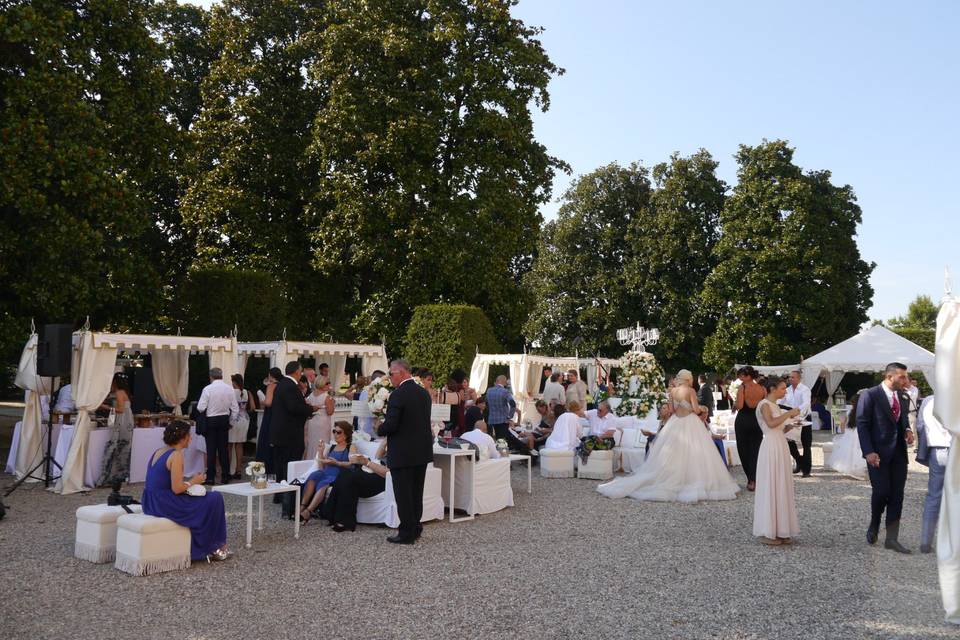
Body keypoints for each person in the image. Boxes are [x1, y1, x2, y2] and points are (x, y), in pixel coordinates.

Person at [597, 370, 739, 503]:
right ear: (688, 379)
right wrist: (704, 408)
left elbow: (671, 410)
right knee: (695, 453)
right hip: (690, 422)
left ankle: (673, 479)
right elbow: (695, 410)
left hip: (675, 423)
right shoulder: (690, 391)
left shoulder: (673, 391)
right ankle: (690, 480)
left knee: (673, 454)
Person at [141, 420, 230, 562]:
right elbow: (176, 489)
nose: (191, 438)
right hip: (164, 503)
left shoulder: (158, 451)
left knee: (206, 498)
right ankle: (215, 546)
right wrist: (195, 480)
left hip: (150, 501)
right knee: (215, 498)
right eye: (189, 435)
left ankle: (210, 544)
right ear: (182, 438)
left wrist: (189, 483)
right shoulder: (176, 455)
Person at [857, 362, 915, 553]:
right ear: (890, 377)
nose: (906, 380)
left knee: (897, 496)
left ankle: (892, 538)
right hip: (877, 454)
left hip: (899, 453)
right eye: (902, 377)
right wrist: (868, 452)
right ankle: (874, 523)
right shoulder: (870, 395)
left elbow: (903, 418)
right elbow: (863, 424)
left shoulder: (903, 396)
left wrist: (907, 429)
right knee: (881, 492)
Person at [377, 359, 433, 544]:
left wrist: (380, 427)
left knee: (403, 494)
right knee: (416, 492)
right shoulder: (423, 393)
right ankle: (416, 526)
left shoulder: (398, 395)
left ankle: (406, 531)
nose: (390, 378)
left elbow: (392, 424)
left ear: (401, 372)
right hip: (421, 451)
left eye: (391, 374)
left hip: (403, 452)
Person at [753, 376, 801, 546]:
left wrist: (791, 424)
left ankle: (782, 529)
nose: (785, 391)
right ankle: (769, 530)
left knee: (781, 485)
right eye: (782, 388)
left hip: (780, 444)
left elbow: (779, 427)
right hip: (771, 446)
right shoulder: (764, 404)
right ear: (772, 389)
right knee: (772, 485)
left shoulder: (775, 406)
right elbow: (771, 423)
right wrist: (789, 413)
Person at [300, 420, 357, 524]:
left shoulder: (351, 446)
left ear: (346, 434)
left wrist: (338, 463)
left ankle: (308, 511)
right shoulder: (332, 447)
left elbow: (352, 463)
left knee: (323, 483)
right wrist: (321, 452)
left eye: (339, 432)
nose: (335, 434)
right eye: (334, 431)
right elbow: (322, 466)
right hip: (326, 472)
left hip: (338, 475)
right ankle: (302, 506)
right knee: (313, 476)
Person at [325, 440, 389, 532]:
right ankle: (331, 514)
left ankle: (345, 521)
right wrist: (385, 442)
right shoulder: (390, 446)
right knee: (344, 474)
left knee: (351, 478)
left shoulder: (399, 453)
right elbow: (377, 458)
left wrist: (367, 462)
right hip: (372, 470)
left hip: (382, 478)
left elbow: (387, 473)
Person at [271, 361, 317, 486]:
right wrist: (311, 409)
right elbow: (294, 407)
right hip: (289, 434)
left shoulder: (282, 384)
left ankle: (279, 492)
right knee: (289, 464)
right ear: (297, 371)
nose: (301, 373)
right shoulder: (290, 386)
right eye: (301, 371)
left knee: (280, 464)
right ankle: (288, 493)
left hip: (281, 432)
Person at [916, 395, 951, 553]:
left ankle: (926, 541)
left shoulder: (928, 400)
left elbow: (920, 426)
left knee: (933, 496)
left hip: (937, 449)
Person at [196, 368, 239, 486]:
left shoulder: (207, 389)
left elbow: (200, 407)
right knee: (223, 449)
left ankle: (210, 477)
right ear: (221, 376)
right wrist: (231, 421)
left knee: (211, 450)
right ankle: (225, 476)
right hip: (224, 420)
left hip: (211, 420)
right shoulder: (229, 389)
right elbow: (235, 408)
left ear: (211, 377)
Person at [98, 372, 135, 485]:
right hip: (127, 420)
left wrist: (103, 406)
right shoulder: (124, 392)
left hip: (122, 420)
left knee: (117, 446)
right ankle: (121, 475)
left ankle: (112, 475)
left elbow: (120, 410)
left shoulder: (119, 392)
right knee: (123, 447)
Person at [734, 366, 765, 492]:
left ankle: (751, 480)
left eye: (741, 375)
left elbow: (740, 405)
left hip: (743, 420)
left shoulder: (742, 388)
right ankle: (755, 479)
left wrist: (735, 404)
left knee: (744, 450)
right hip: (757, 420)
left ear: (747, 376)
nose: (740, 378)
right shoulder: (762, 388)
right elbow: (764, 405)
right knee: (755, 450)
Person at [827, 390, 868, 479]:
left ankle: (852, 469)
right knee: (858, 451)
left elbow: (842, 426)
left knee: (849, 452)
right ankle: (859, 470)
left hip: (850, 433)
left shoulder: (850, 412)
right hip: (859, 433)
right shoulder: (865, 411)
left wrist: (843, 432)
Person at [485, 375, 529, 454]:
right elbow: (513, 404)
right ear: (504, 382)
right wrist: (509, 416)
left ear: (497, 381)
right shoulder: (505, 391)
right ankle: (507, 455)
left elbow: (487, 404)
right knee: (503, 439)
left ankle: (505, 455)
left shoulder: (489, 391)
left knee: (501, 439)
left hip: (492, 420)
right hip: (503, 420)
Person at [783, 370, 813, 477]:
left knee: (806, 444)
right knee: (789, 442)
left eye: (793, 377)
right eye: (790, 377)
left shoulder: (805, 389)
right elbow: (781, 402)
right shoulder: (787, 390)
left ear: (799, 378)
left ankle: (807, 470)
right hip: (791, 418)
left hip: (804, 417)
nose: (790, 379)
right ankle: (800, 462)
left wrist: (796, 412)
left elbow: (806, 403)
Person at [255, 368, 282, 475]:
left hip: (270, 415)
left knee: (265, 441)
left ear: (270, 376)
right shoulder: (282, 385)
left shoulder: (271, 385)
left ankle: (263, 469)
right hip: (278, 416)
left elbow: (268, 402)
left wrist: (263, 401)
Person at [228, 374, 253, 479]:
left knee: (229, 446)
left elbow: (228, 406)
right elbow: (253, 407)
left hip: (233, 420)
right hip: (244, 419)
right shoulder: (247, 392)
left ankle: (229, 470)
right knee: (239, 445)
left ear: (234, 382)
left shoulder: (231, 392)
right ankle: (238, 470)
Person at [304, 376, 335, 457]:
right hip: (323, 423)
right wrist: (332, 402)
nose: (329, 385)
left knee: (312, 443)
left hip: (312, 422)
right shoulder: (327, 397)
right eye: (327, 383)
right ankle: (320, 461)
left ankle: (311, 459)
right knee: (322, 443)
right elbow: (330, 412)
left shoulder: (311, 395)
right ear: (322, 384)